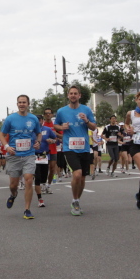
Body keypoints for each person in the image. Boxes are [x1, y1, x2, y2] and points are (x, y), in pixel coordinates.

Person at [54, 85, 97, 216]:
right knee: (77, 174)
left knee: (82, 178)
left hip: (84, 147)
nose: (73, 95)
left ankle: (76, 200)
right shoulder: (62, 111)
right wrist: (62, 127)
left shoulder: (86, 109)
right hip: (70, 148)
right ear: (68, 95)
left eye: (75, 93)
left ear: (79, 96)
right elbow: (56, 125)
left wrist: (86, 120)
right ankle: (75, 200)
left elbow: (94, 127)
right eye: (71, 93)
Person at [0, 95, 42, 219]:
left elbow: (39, 133)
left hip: (29, 154)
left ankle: (27, 210)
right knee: (13, 185)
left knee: (29, 179)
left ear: (28, 104)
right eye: (20, 102)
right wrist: (7, 146)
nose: (22, 104)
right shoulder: (10, 118)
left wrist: (38, 142)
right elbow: (1, 135)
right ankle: (13, 195)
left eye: (24, 102)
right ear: (17, 104)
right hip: (14, 155)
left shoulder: (33, 118)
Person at [34, 117, 57, 207]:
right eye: (36, 120)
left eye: (39, 120)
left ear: (42, 121)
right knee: (37, 176)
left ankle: (44, 185)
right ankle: (40, 199)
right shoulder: (31, 130)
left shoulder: (47, 129)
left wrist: (52, 141)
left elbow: (56, 140)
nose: (38, 122)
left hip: (44, 156)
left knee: (44, 175)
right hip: (34, 155)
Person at [42, 108, 58, 193]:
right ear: (44, 115)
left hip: (53, 149)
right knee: (44, 168)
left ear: (52, 114)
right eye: (46, 113)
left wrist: (55, 136)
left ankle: (49, 185)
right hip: (43, 150)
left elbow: (61, 136)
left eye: (49, 113)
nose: (48, 114)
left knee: (52, 168)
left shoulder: (55, 125)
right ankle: (43, 184)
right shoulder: (42, 125)